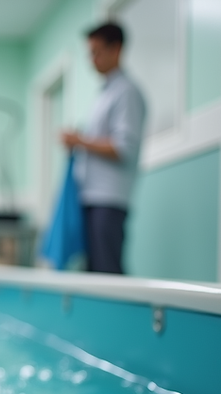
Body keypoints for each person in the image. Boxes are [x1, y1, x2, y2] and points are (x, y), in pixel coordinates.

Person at [61, 22, 146, 274]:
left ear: (116, 49)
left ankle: (121, 315)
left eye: (97, 51)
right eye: (90, 53)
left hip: (109, 199)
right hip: (90, 196)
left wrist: (80, 141)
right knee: (93, 271)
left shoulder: (127, 93)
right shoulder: (104, 94)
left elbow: (124, 147)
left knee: (107, 270)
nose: (92, 59)